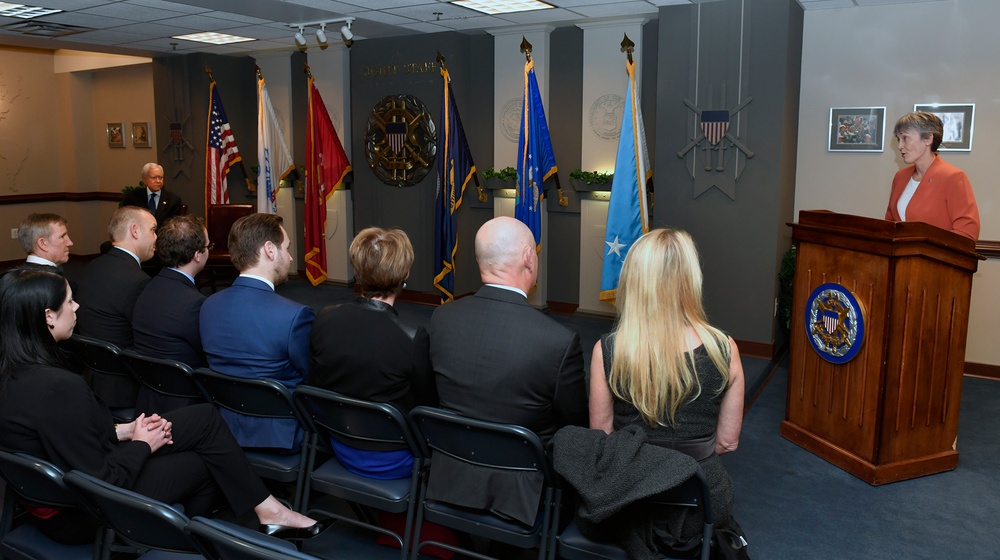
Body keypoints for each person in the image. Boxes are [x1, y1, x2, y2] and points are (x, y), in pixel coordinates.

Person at [0, 267, 322, 545]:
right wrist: (142, 444)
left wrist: (123, 431)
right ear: (48, 317)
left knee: (205, 419)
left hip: (58, 494)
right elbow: (101, 481)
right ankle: (170, 540)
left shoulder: (16, 374)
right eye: (69, 301)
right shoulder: (58, 387)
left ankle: (269, 511)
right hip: (83, 512)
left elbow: (60, 436)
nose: (77, 306)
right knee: (205, 461)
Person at [426, 216, 588, 526]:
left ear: (479, 260)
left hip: (450, 475)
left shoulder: (442, 319)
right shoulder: (558, 342)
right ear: (529, 258)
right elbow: (574, 430)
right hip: (524, 492)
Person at [588, 228, 745, 545]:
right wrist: (680, 462)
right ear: (691, 279)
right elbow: (727, 443)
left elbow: (601, 436)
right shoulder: (725, 349)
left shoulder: (607, 350)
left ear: (634, 280)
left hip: (629, 498)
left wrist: (654, 464)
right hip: (701, 500)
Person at [308, 227, 437, 479]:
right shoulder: (413, 337)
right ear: (405, 274)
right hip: (395, 457)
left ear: (357, 270)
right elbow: (427, 409)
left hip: (339, 442)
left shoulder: (323, 317)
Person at [200, 213, 313, 450]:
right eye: (287, 248)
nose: (291, 257)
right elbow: (311, 378)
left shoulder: (208, 305)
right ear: (270, 250)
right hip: (283, 434)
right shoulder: (294, 315)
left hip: (224, 428)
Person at [74, 206, 157, 407]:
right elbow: (149, 341)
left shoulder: (93, 265)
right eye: (153, 230)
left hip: (90, 376)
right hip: (123, 385)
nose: (156, 237)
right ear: (135, 231)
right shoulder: (137, 280)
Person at [131, 215, 210, 414]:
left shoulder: (148, 287)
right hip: (184, 405)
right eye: (208, 246)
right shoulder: (193, 304)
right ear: (197, 255)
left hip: (149, 396)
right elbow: (210, 354)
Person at [885, 111, 980, 240]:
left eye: (905, 138)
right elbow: (890, 223)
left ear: (928, 139)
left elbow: (967, 233)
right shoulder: (900, 176)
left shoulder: (953, 177)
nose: (900, 146)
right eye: (898, 139)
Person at [122, 163, 183, 228]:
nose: (158, 181)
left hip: (162, 237)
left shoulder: (173, 200)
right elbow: (126, 221)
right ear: (144, 179)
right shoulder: (132, 198)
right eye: (153, 178)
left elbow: (174, 227)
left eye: (160, 177)